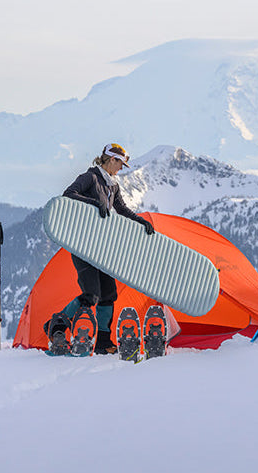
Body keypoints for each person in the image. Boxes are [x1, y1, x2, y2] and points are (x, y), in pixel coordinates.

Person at [45, 143, 154, 354]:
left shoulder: (113, 185)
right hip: (82, 245)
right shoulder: (90, 177)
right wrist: (93, 203)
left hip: (101, 248)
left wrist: (140, 221)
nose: (121, 168)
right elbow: (69, 194)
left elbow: (121, 209)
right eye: (120, 164)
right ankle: (56, 326)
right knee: (91, 294)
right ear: (112, 159)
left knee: (109, 294)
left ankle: (103, 342)